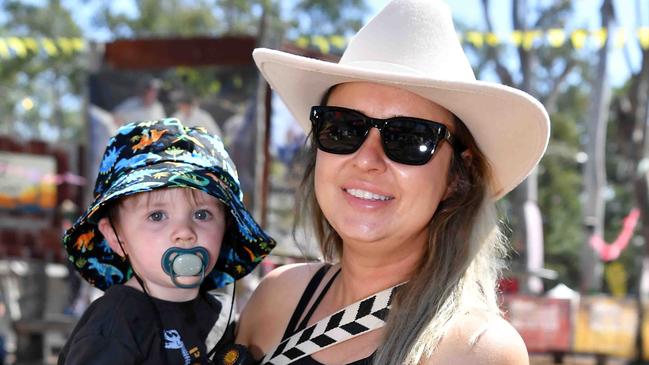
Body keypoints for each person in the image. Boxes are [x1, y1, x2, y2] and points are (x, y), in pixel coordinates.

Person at [234, 0, 550, 364]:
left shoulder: (476, 350)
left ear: (457, 179)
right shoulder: (276, 299)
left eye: (409, 138)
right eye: (343, 128)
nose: (367, 159)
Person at [58, 118, 275, 364]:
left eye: (202, 214)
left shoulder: (222, 317)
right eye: (157, 216)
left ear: (226, 226)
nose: (184, 231)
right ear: (116, 238)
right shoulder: (115, 326)